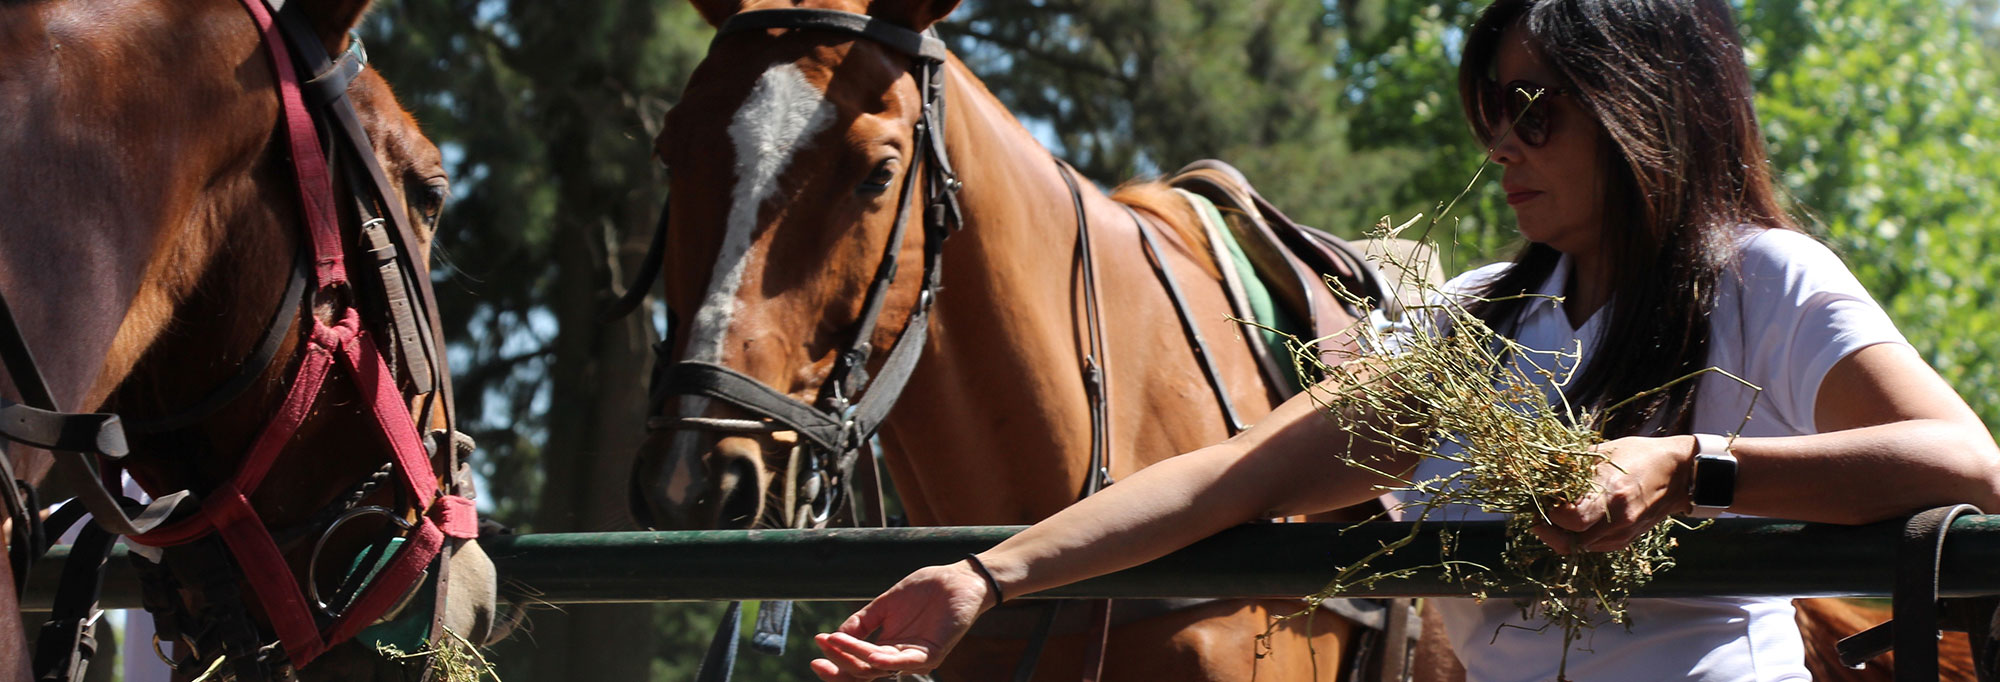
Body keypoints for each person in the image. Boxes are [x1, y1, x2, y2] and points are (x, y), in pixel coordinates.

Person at [809, 0, 2000, 679]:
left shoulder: (1764, 282)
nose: (1499, 144)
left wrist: (1690, 468)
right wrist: (983, 574)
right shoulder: (1473, 329)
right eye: (1489, 109)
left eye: (1532, 107)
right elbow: (1232, 478)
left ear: (1647, 101)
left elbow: (1968, 467)